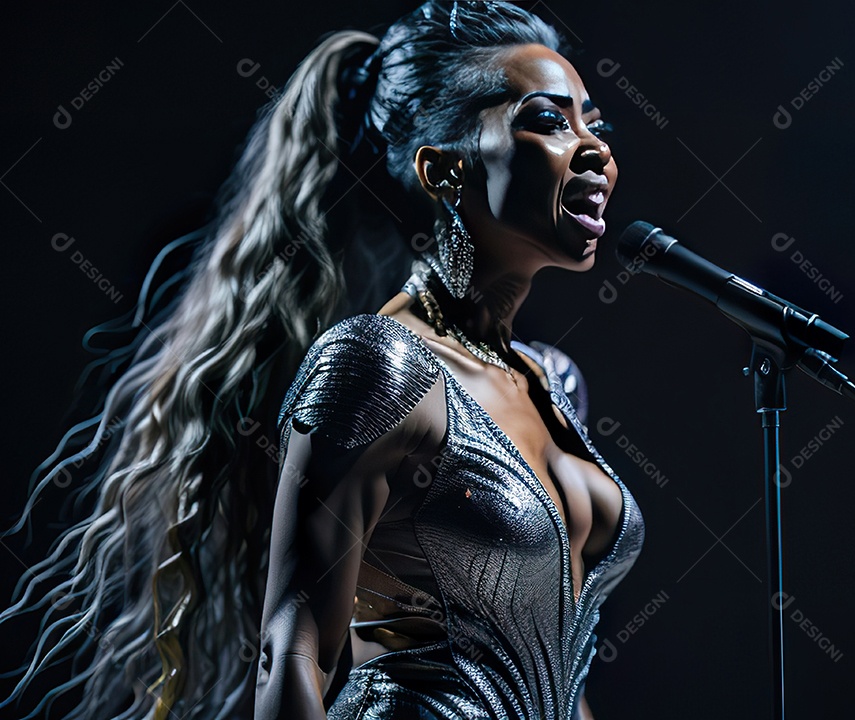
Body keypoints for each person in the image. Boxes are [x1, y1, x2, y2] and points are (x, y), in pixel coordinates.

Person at [1, 2, 641, 719]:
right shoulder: (379, 366)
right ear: (443, 171)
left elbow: (560, 668)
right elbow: (294, 645)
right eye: (550, 121)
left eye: (596, 123)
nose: (595, 150)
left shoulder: (553, 383)